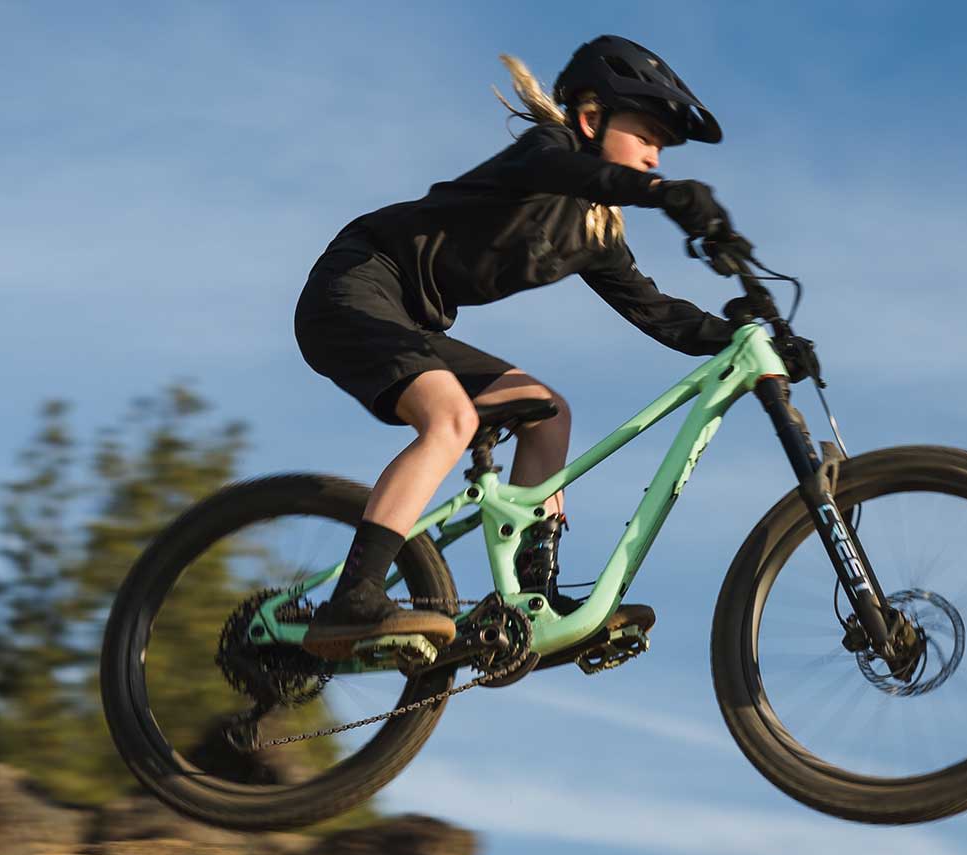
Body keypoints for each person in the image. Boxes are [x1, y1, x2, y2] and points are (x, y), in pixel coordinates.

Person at [296, 35, 746, 661]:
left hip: (414, 323)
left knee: (547, 410)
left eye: (660, 152)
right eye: (646, 138)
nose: (652, 159)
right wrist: (662, 195)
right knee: (449, 419)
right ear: (592, 119)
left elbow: (659, 314)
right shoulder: (548, 151)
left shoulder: (593, 235)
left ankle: (535, 600)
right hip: (356, 285)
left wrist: (746, 332)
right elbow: (567, 171)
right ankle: (354, 598)